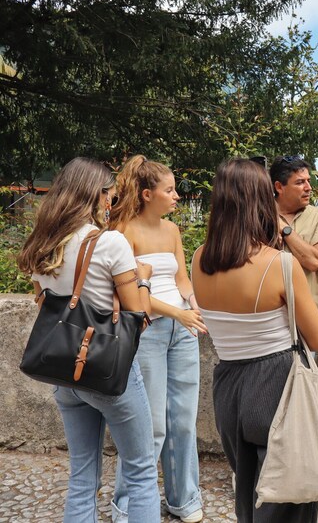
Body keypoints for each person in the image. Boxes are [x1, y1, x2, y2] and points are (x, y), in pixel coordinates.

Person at [17, 158, 160, 522]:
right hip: (107, 371)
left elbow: (44, 304)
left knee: (82, 474)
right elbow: (137, 319)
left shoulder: (44, 244)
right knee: (141, 470)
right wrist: (142, 278)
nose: (111, 203)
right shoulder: (110, 243)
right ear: (97, 196)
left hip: (64, 373)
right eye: (110, 196)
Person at [191, 159, 318, 522]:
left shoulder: (199, 259)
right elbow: (317, 339)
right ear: (260, 200)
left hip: (228, 386)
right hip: (276, 383)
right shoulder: (279, 264)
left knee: (248, 493)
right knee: (288, 499)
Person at [109, 155, 205, 523]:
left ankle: (183, 499)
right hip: (146, 331)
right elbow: (132, 292)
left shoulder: (172, 231)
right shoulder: (124, 232)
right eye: (170, 190)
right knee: (149, 423)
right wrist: (179, 313)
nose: (176, 195)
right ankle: (129, 506)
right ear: (148, 194)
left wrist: (194, 306)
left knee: (183, 419)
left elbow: (182, 279)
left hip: (183, 329)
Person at [269, 156, 318, 303]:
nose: (308, 188)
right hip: (267, 313)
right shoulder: (257, 215)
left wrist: (283, 228)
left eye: (308, 181)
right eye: (300, 182)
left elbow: (314, 261)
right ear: (279, 187)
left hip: (305, 313)